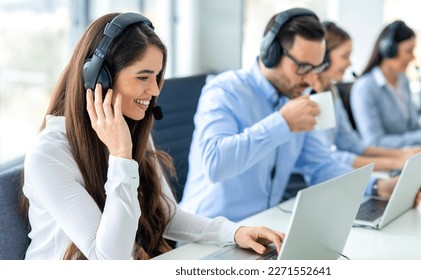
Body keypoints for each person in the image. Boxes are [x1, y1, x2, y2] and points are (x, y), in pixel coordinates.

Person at [21, 12, 284, 260]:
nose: (155, 89)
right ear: (99, 79)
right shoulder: (50, 154)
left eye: (157, 76)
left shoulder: (129, 129)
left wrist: (234, 233)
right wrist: (121, 156)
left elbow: (167, 216)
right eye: (143, 77)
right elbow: (109, 261)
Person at [179, 8, 421, 222]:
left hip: (261, 229)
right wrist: (282, 123)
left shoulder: (297, 97)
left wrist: (377, 187)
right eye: (303, 68)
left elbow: (321, 165)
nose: (310, 80)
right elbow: (215, 164)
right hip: (209, 236)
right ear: (271, 52)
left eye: (316, 69)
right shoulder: (224, 90)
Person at [313, 21, 421, 171]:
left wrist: (402, 155)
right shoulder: (307, 97)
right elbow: (327, 156)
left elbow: (352, 144)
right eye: (345, 56)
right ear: (322, 58)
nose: (349, 63)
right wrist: (395, 162)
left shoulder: (331, 92)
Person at [350, 20, 421, 148]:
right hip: (387, 163)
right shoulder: (365, 88)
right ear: (389, 50)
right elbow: (375, 142)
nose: (413, 57)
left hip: (410, 155)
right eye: (408, 51)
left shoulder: (403, 80)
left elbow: (413, 128)